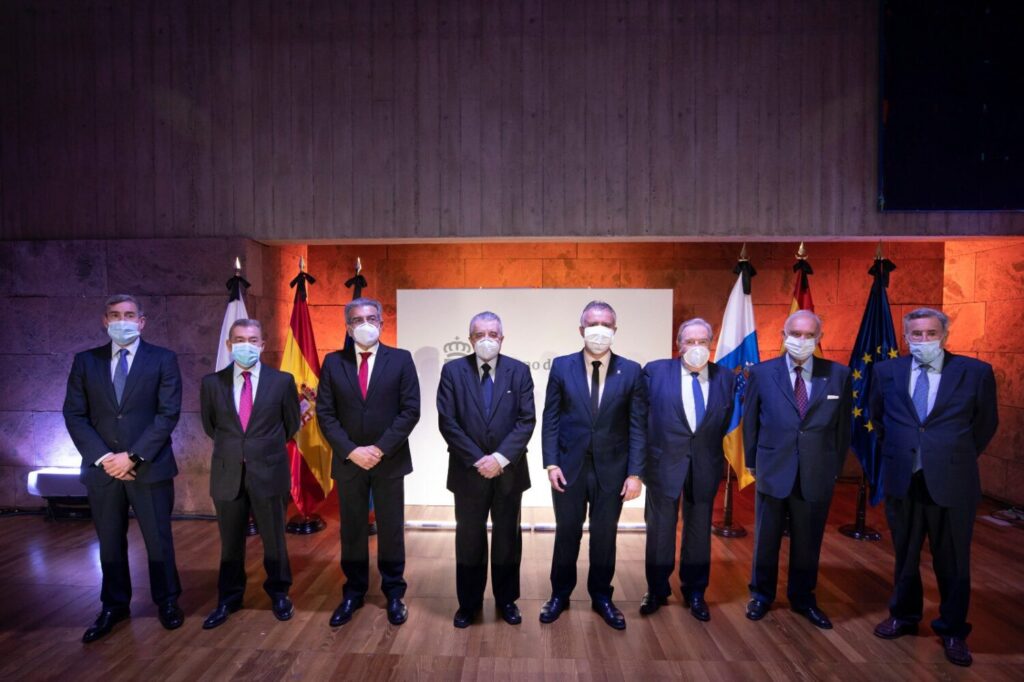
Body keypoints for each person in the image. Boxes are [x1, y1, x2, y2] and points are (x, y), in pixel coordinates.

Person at [869, 307, 998, 667]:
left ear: (945, 334)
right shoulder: (886, 371)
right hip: (903, 477)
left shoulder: (975, 373)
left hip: (953, 480)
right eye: (915, 334)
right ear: (905, 336)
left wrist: (949, 454)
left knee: (954, 561)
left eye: (930, 333)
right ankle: (904, 616)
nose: (922, 340)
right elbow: (878, 418)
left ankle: (953, 629)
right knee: (904, 556)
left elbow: (985, 424)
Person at [62, 294, 184, 642]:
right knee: (110, 541)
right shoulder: (86, 361)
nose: (122, 321)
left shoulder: (163, 359)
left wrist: (132, 457)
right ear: (104, 321)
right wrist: (104, 458)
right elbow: (74, 414)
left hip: (150, 467)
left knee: (158, 539)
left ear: (142, 321)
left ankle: (168, 601)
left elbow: (167, 414)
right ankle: (114, 606)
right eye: (115, 315)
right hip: (102, 470)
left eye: (129, 315)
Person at [540, 300, 647, 630]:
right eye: (592, 323)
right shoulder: (561, 366)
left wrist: (634, 473)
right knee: (567, 534)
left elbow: (637, 424)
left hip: (613, 471)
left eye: (606, 324)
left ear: (615, 330)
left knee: (604, 536)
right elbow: (551, 418)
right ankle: (560, 594)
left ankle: (602, 595)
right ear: (581, 329)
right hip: (569, 468)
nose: (599, 329)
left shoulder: (630, 370)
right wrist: (551, 463)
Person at [743, 309, 851, 629]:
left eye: (809, 335)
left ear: (819, 338)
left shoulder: (838, 375)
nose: (801, 340)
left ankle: (803, 597)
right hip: (773, 468)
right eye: (796, 334)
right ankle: (761, 595)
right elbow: (751, 422)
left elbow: (843, 429)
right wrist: (752, 462)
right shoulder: (762, 374)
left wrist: (833, 467)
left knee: (808, 540)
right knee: (767, 538)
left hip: (815, 471)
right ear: (783, 335)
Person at [317, 297, 421, 627]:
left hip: (388, 461)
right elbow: (326, 414)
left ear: (382, 322)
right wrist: (351, 451)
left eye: (372, 318)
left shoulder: (401, 360)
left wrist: (378, 449)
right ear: (348, 326)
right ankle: (354, 592)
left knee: (391, 530)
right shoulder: (333, 363)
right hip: (349, 463)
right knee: (352, 530)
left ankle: (394, 592)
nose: (366, 324)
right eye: (358, 319)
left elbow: (410, 410)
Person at [199, 319, 301, 629]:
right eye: (240, 339)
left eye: (253, 339)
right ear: (229, 346)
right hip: (228, 473)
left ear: (262, 344)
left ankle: (279, 593)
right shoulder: (212, 383)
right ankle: (229, 597)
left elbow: (291, 423)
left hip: (269, 472)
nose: (246, 344)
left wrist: (260, 449)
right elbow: (210, 425)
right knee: (230, 543)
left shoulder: (282, 381)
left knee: (274, 540)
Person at [437, 311, 536, 628]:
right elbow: (447, 422)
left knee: (508, 539)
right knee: (469, 539)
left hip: (509, 472)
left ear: (502, 338)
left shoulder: (519, 371)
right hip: (468, 473)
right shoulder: (453, 371)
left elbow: (526, 420)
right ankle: (469, 603)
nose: (486, 340)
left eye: (493, 334)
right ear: (470, 339)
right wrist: (479, 459)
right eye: (479, 334)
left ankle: (507, 600)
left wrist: (500, 459)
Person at [641, 318, 735, 621]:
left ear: (711, 344)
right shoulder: (655, 372)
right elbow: (640, 419)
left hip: (704, 465)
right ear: (679, 345)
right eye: (690, 342)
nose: (696, 347)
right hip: (662, 464)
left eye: (702, 342)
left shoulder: (726, 378)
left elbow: (723, 421)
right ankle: (656, 590)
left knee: (698, 532)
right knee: (660, 531)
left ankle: (695, 591)